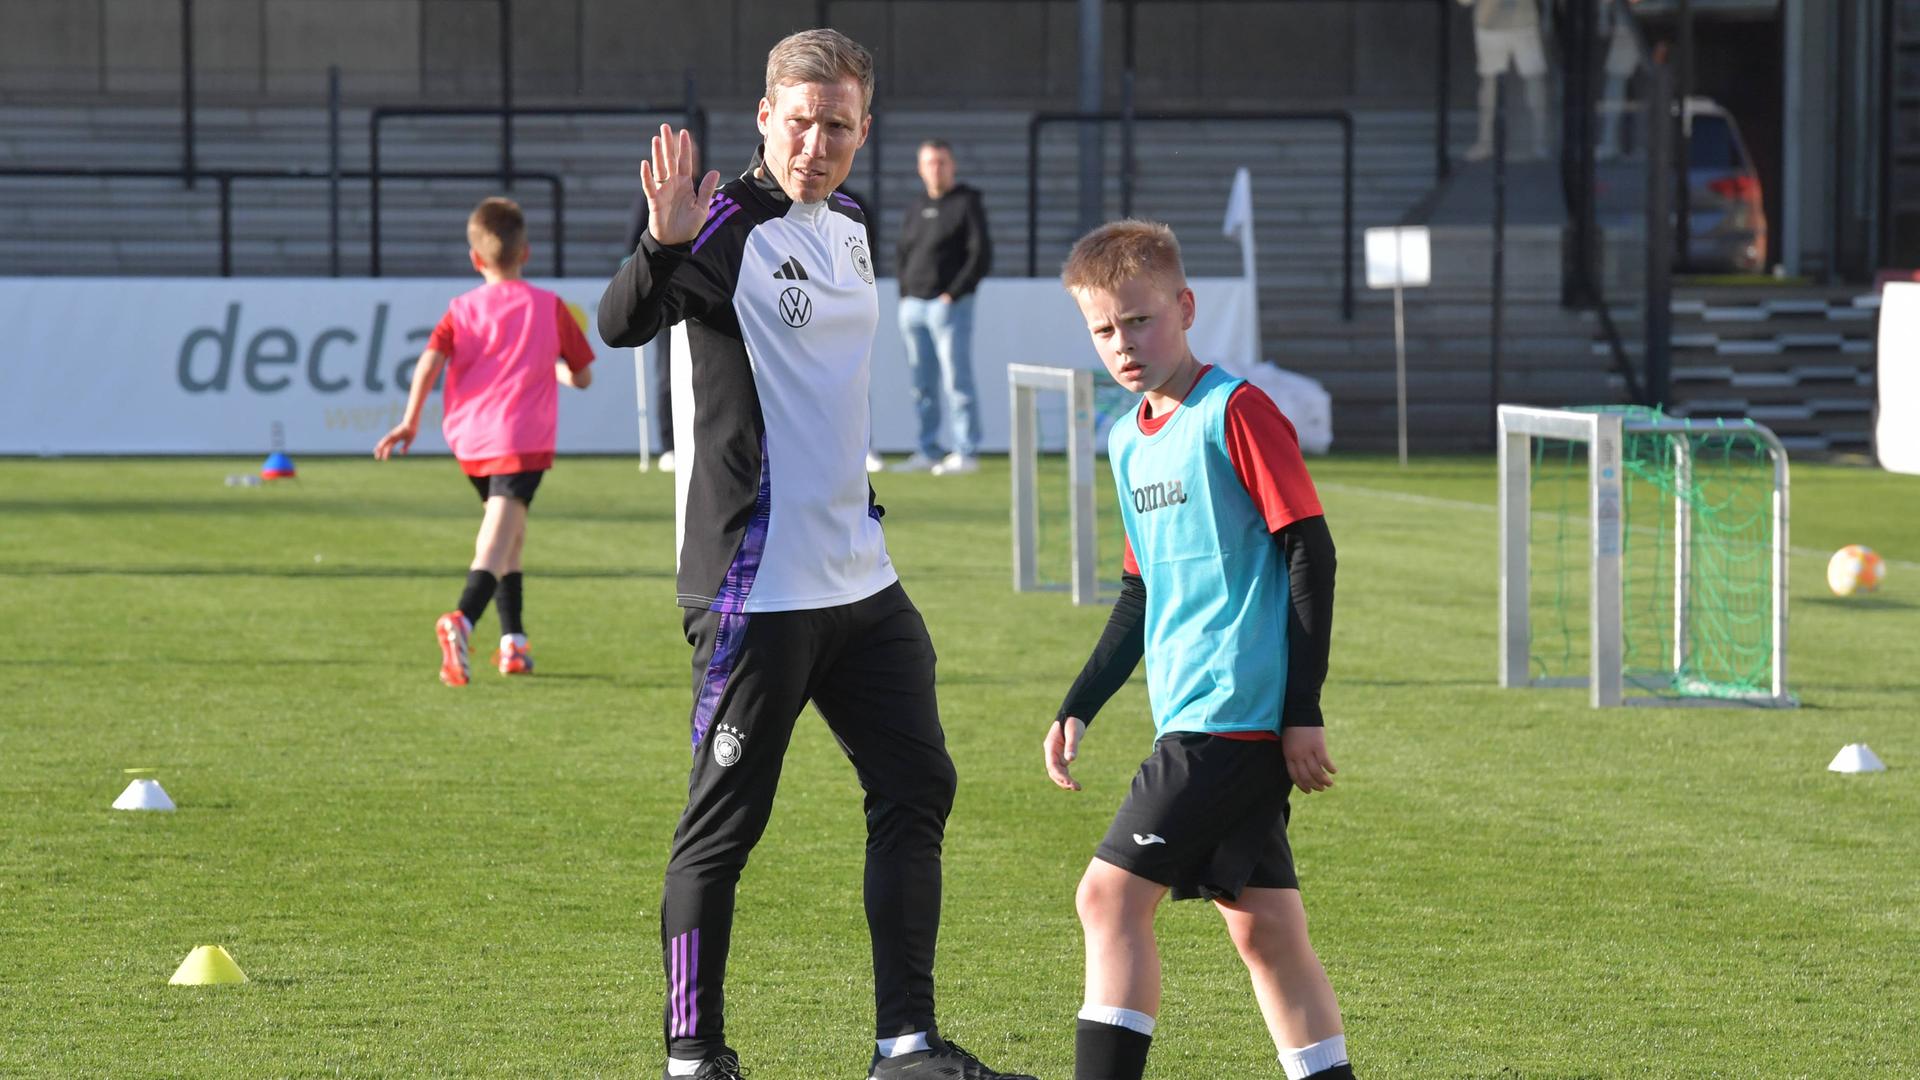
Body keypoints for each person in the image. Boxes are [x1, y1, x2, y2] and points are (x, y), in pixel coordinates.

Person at [597, 29, 1038, 1080]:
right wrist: (660, 246)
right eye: (799, 121)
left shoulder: (848, 222)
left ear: (863, 131)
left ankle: (906, 1047)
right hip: (759, 588)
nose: (816, 143)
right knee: (723, 831)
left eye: (837, 124)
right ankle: (692, 1056)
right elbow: (621, 324)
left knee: (918, 785)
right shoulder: (722, 225)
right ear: (764, 118)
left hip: (862, 579)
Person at [1042, 220, 1353, 1080]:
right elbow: (1141, 593)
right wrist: (1079, 701)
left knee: (1106, 899)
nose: (1124, 343)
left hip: (1233, 721)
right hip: (1193, 716)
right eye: (1104, 329)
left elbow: (1310, 553)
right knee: (1268, 934)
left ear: (1184, 307)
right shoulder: (1124, 440)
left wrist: (1301, 713)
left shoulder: (1237, 411)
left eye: (1140, 321)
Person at [375, 196, 596, 685]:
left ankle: (513, 643)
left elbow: (430, 361)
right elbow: (583, 375)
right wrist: (559, 372)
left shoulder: (461, 308)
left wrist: (411, 421)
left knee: (509, 537)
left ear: (477, 259)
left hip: (472, 441)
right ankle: (462, 619)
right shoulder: (549, 307)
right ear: (526, 253)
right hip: (520, 438)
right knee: (497, 543)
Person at [891, 139, 992, 475]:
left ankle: (966, 451)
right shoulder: (916, 207)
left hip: (949, 305)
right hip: (913, 306)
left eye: (942, 162)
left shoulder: (966, 203)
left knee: (955, 380)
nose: (936, 168)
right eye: (930, 163)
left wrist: (953, 293)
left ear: (953, 165)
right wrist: (905, 291)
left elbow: (980, 254)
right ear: (920, 168)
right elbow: (903, 251)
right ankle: (928, 449)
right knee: (922, 383)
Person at [625, 191, 678, 471]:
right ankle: (669, 445)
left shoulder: (708, 191)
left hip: (701, 291)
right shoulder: (650, 196)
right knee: (666, 372)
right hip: (665, 298)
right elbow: (633, 244)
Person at [1460, 0, 1552, 161]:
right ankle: (1486, 142)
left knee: (1533, 82)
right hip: (1495, 25)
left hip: (1520, 24)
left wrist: (1547, 18)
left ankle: (1538, 141)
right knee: (1491, 84)